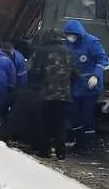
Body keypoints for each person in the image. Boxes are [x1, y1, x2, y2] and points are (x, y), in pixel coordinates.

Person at [63, 19, 109, 153]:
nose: (70, 37)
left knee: (86, 115)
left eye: (72, 34)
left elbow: (103, 59)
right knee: (74, 114)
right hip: (75, 84)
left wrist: (96, 75)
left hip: (90, 85)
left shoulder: (92, 42)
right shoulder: (67, 44)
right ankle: (79, 142)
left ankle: (88, 144)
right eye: (68, 34)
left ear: (78, 34)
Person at [26, 29, 75, 159]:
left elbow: (34, 71)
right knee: (60, 124)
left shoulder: (42, 51)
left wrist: (33, 87)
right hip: (64, 95)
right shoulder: (69, 52)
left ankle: (44, 151)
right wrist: (67, 86)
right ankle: (61, 152)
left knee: (45, 123)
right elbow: (76, 73)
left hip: (46, 94)